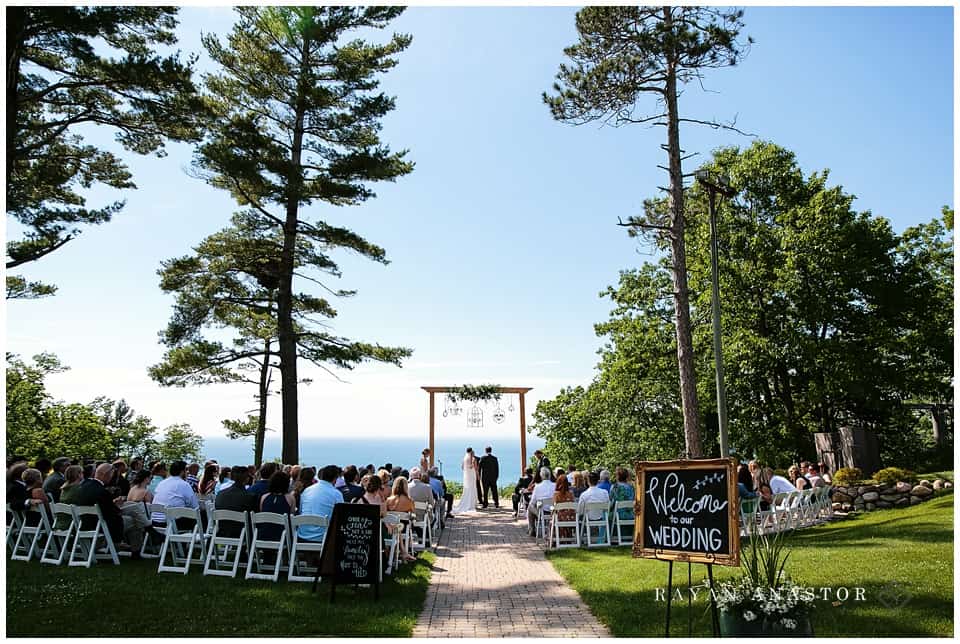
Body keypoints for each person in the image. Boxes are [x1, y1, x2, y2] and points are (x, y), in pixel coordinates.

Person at [72, 463, 145, 555]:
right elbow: (112, 513)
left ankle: (122, 544)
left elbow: (101, 506)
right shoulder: (101, 491)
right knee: (134, 521)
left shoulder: (83, 486)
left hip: (84, 523)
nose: (111, 477)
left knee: (132, 513)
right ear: (105, 474)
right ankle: (134, 551)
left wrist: (112, 503)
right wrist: (117, 506)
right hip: (100, 526)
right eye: (111, 474)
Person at [297, 465, 343, 544]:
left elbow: (301, 511)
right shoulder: (336, 494)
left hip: (302, 535)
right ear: (335, 479)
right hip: (323, 538)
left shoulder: (307, 491)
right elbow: (340, 517)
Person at [151, 460, 199, 525]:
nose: (187, 473)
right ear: (182, 472)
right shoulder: (184, 484)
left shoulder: (162, 483)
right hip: (171, 523)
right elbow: (195, 506)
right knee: (198, 515)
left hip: (154, 521)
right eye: (186, 470)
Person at [214, 466, 257, 538]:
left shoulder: (220, 494)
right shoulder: (250, 496)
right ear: (247, 479)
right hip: (242, 533)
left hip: (222, 531)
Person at [258, 471, 296, 543]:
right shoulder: (290, 498)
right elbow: (292, 517)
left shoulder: (264, 497)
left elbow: (262, 513)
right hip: (282, 536)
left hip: (263, 535)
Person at [386, 476, 417, 562]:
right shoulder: (409, 501)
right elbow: (414, 514)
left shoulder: (388, 500)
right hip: (403, 527)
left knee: (396, 525)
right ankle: (405, 551)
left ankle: (398, 552)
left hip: (390, 526)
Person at [53, 466, 85, 530]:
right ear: (78, 475)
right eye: (82, 473)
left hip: (61, 522)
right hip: (73, 523)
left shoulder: (64, 489)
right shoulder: (79, 488)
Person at [527, 467, 556, 537]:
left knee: (530, 507)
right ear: (549, 475)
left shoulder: (537, 487)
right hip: (553, 511)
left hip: (542, 511)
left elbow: (532, 502)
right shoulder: (555, 485)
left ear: (541, 476)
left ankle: (532, 530)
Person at [607, 467, 635, 538]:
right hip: (630, 514)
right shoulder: (631, 487)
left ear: (618, 476)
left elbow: (611, 500)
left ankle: (609, 536)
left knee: (606, 514)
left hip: (618, 515)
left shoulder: (615, 487)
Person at [452, 447, 481, 515]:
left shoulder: (464, 459)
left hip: (467, 477)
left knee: (468, 489)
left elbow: (462, 467)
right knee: (473, 488)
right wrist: (478, 476)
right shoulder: (473, 459)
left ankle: (467, 503)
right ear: (471, 452)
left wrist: (467, 470)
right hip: (472, 476)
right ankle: (471, 504)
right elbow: (476, 469)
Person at [550, 474, 576, 542]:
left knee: (554, 516)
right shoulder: (571, 494)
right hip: (571, 518)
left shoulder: (556, 494)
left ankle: (556, 539)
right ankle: (568, 537)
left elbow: (554, 506)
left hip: (560, 518)